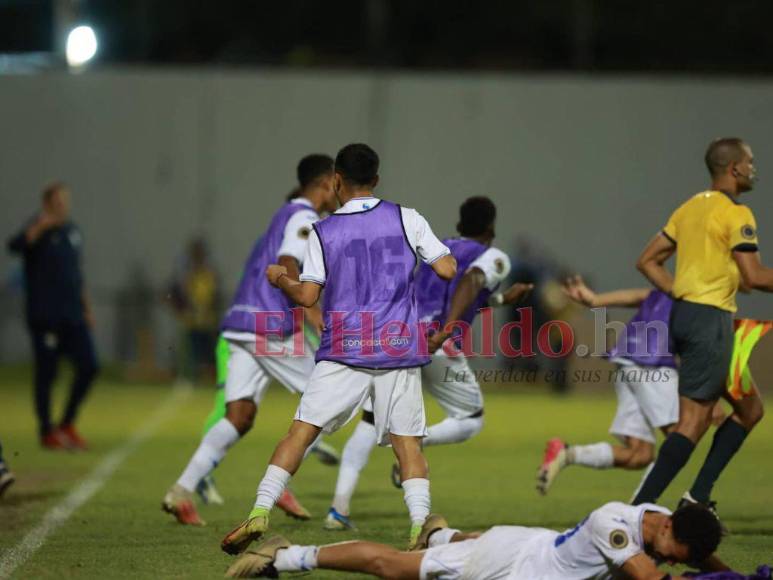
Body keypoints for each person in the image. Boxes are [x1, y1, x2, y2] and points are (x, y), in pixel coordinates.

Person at [220, 143, 457, 555]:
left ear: (336, 180)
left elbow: (308, 296)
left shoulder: (324, 230)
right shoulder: (407, 217)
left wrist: (279, 280)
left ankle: (260, 511)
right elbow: (447, 268)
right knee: (407, 445)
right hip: (398, 347)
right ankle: (419, 524)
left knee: (300, 432)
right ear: (377, 180)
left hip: (345, 348)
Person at [324, 196, 534, 530]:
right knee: (471, 419)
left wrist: (498, 300)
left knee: (369, 419)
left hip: (399, 338)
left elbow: (448, 292)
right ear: (491, 228)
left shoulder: (437, 247)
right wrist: (449, 328)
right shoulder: (494, 256)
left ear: (459, 224)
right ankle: (415, 442)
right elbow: (470, 282)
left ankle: (338, 509)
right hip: (437, 343)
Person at [162, 154, 340, 525]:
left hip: (241, 324)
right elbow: (289, 262)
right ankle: (280, 483)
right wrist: (311, 312)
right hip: (271, 329)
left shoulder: (281, 214)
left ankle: (181, 490)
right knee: (331, 400)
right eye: (335, 184)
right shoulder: (305, 217)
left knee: (239, 417)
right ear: (325, 182)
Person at [633, 138, 772, 512]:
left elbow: (647, 260)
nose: (754, 168)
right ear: (734, 168)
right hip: (708, 321)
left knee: (749, 410)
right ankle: (636, 511)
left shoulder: (690, 207)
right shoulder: (736, 213)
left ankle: (697, 497)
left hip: (691, 317)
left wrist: (681, 291)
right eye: (750, 161)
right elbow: (755, 276)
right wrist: (694, 294)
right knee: (692, 424)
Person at [538, 277, 724, 496]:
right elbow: (693, 349)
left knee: (640, 454)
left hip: (626, 360)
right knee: (680, 437)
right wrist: (707, 393)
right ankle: (641, 508)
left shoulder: (668, 290)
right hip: (652, 364)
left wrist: (596, 300)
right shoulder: (701, 298)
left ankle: (568, 454)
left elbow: (636, 296)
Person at [225, 501, 726, 579]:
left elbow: (698, 554)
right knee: (394, 568)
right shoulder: (618, 524)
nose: (672, 562)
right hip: (508, 564)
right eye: (675, 555)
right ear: (666, 531)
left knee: (442, 548)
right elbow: (648, 577)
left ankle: (440, 533)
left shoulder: (664, 520)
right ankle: (286, 556)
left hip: (534, 547)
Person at [7, 182, 99, 450]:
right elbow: (14, 246)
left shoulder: (72, 231)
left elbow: (76, 275)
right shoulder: (36, 228)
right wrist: (39, 227)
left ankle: (67, 423)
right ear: (47, 203)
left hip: (73, 315)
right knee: (47, 374)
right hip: (45, 317)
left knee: (89, 365)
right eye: (58, 202)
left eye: (65, 201)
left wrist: (87, 308)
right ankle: (47, 431)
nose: (63, 206)